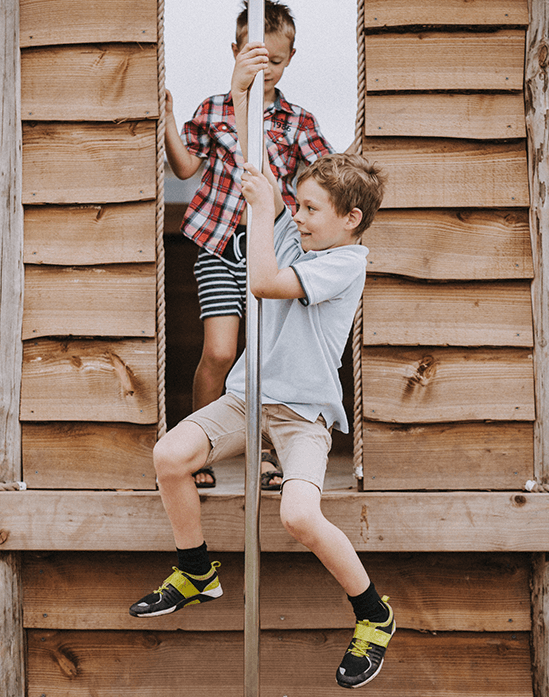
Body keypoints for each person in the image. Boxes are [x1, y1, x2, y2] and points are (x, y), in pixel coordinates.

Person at [131, 41, 394, 689]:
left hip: (300, 416)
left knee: (300, 515)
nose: (297, 217)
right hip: (246, 400)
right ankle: (197, 569)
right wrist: (241, 88)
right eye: (297, 206)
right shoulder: (294, 230)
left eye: (311, 211)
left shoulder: (344, 262)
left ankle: (373, 612)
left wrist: (263, 211)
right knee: (169, 456)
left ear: (350, 220)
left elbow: (267, 285)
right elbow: (256, 165)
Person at [164, 0, 334, 488]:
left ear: (291, 58)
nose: (267, 69)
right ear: (236, 50)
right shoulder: (214, 108)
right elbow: (185, 167)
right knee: (220, 352)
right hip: (218, 243)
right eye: (257, 57)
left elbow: (325, 174)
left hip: (272, 253)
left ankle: (262, 453)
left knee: (263, 358)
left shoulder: (296, 121)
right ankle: (199, 449)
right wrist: (169, 120)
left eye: (276, 62)